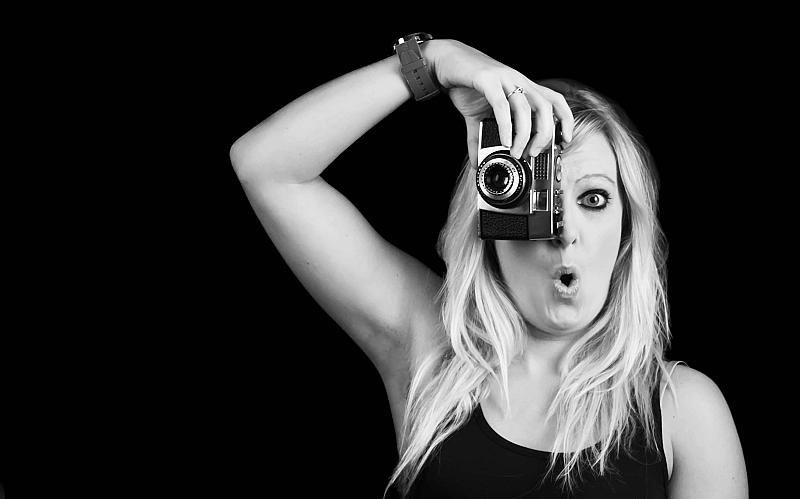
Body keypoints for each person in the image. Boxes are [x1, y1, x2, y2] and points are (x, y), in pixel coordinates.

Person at [229, 36, 747, 498]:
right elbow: (267, 167)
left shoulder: (683, 409)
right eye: (535, 201)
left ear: (626, 232)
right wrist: (434, 59)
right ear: (488, 222)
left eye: (593, 199)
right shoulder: (430, 354)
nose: (564, 231)